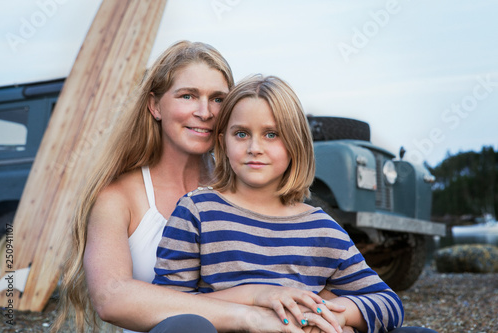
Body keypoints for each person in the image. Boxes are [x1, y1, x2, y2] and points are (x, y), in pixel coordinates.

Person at [53, 41, 338, 333]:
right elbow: (111, 298)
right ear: (154, 105)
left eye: (217, 99)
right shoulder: (116, 197)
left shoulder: (250, 185)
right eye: (188, 96)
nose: (205, 112)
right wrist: (251, 310)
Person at [153, 75, 437, 333]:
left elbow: (388, 302)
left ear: (295, 144)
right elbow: (168, 306)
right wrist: (253, 298)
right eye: (241, 134)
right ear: (222, 141)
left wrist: (334, 315)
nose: (255, 147)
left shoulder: (322, 227)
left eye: (271, 134)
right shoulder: (197, 211)